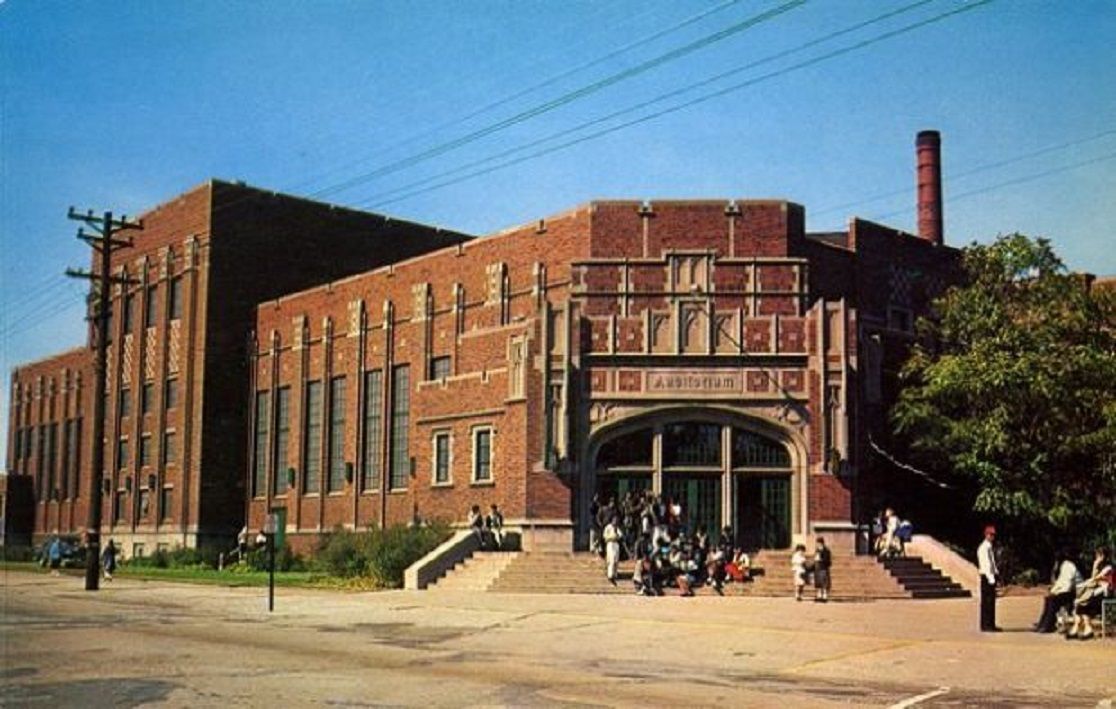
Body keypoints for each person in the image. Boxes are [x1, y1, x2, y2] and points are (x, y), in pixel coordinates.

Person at [1066, 547, 1113, 640]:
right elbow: (1094, 580)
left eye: (1098, 555)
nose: (1096, 557)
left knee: (1082, 603)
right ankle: (1083, 628)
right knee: (1080, 602)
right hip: (1097, 591)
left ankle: (1082, 628)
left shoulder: (1109, 567)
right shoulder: (1099, 566)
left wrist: (1095, 565)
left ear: (1103, 556)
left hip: (1105, 593)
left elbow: (1095, 579)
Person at [1033, 548, 1080, 633]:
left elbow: (1068, 585)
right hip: (1066, 591)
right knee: (1048, 599)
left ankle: (1048, 625)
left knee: (1053, 600)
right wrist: (1053, 591)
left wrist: (1056, 592)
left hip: (1073, 592)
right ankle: (1043, 623)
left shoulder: (1069, 566)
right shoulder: (1063, 566)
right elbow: (1059, 582)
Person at [977, 525, 1001, 632]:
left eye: (993, 535)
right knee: (987, 602)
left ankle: (990, 623)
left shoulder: (989, 547)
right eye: (990, 534)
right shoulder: (984, 548)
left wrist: (996, 572)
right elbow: (986, 564)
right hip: (987, 577)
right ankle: (986, 625)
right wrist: (991, 578)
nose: (992, 536)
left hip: (991, 575)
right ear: (986, 535)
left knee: (991, 602)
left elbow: (992, 563)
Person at [603, 514, 622, 585]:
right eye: (614, 520)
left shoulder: (617, 528)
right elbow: (605, 536)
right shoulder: (608, 527)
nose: (615, 521)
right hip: (610, 543)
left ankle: (615, 574)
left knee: (616, 560)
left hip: (616, 544)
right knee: (611, 559)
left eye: (616, 520)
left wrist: (616, 534)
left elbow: (620, 535)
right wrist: (611, 537)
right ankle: (610, 575)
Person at [814, 537, 832, 602]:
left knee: (824, 583)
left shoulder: (826, 550)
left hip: (823, 568)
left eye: (818, 543)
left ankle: (824, 596)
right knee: (818, 583)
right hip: (817, 568)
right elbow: (815, 559)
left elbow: (828, 561)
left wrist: (821, 559)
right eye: (817, 543)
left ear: (821, 543)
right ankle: (819, 596)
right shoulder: (817, 550)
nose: (817, 544)